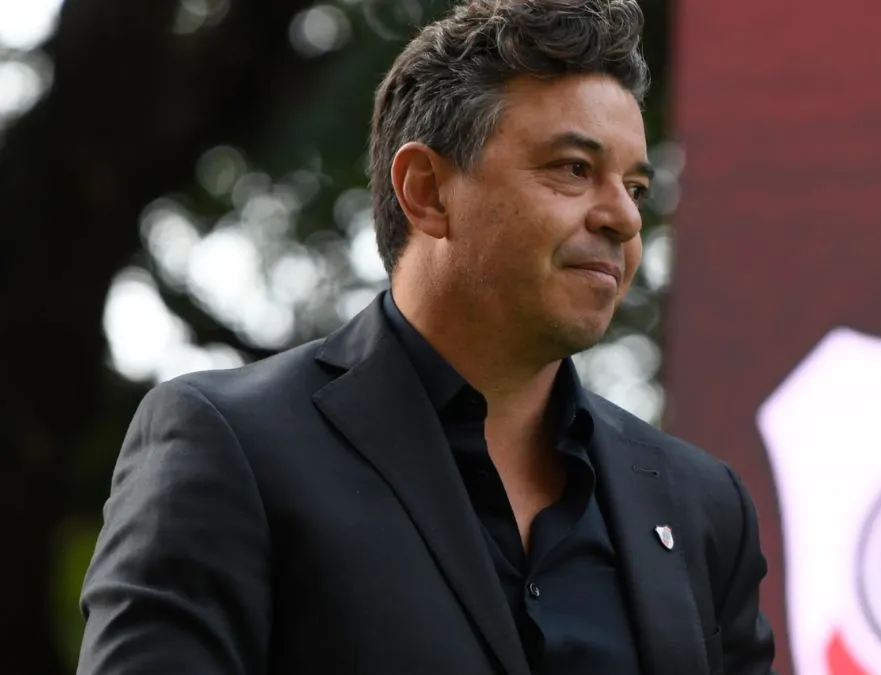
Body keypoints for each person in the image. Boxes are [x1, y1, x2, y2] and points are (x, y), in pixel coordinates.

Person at [76, 1, 776, 673]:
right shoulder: (231, 445)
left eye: (636, 187)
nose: (624, 218)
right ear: (427, 190)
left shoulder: (702, 504)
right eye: (573, 169)